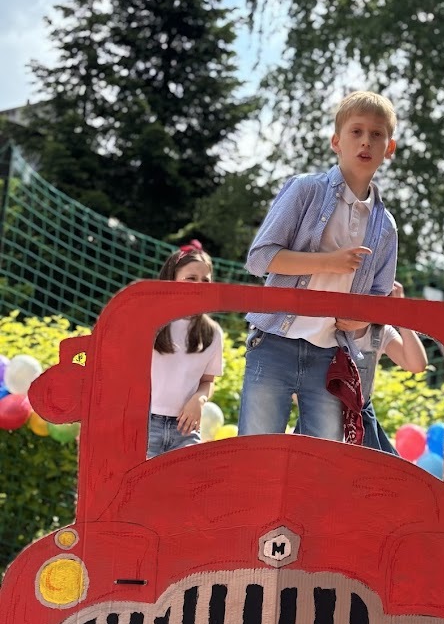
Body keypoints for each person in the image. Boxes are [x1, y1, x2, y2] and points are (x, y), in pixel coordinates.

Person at [238, 90, 398, 441]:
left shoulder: (386, 227)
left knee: (321, 462)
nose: (366, 141)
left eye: (376, 134)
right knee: (256, 454)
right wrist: (329, 262)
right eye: (356, 131)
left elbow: (380, 295)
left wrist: (363, 318)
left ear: (390, 148)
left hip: (332, 355)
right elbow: (260, 258)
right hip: (275, 341)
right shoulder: (305, 189)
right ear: (336, 141)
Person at [147, 242, 224, 458]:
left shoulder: (212, 333)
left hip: (186, 428)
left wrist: (199, 400)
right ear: (172, 279)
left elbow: (207, 381)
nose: (199, 286)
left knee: (189, 479)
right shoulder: (149, 323)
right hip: (144, 424)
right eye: (191, 278)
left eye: (205, 280)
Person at [350, 281, 428, 453]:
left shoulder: (379, 332)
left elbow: (417, 364)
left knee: (384, 464)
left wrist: (401, 312)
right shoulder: (328, 325)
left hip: (360, 419)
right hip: (323, 411)